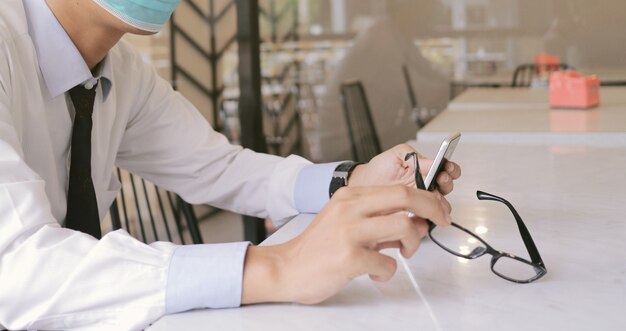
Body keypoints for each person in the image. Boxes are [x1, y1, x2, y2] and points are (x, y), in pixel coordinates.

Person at [0, 0, 461, 330]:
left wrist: (353, 179)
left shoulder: (122, 71)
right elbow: (16, 270)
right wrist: (276, 266)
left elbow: (219, 167)